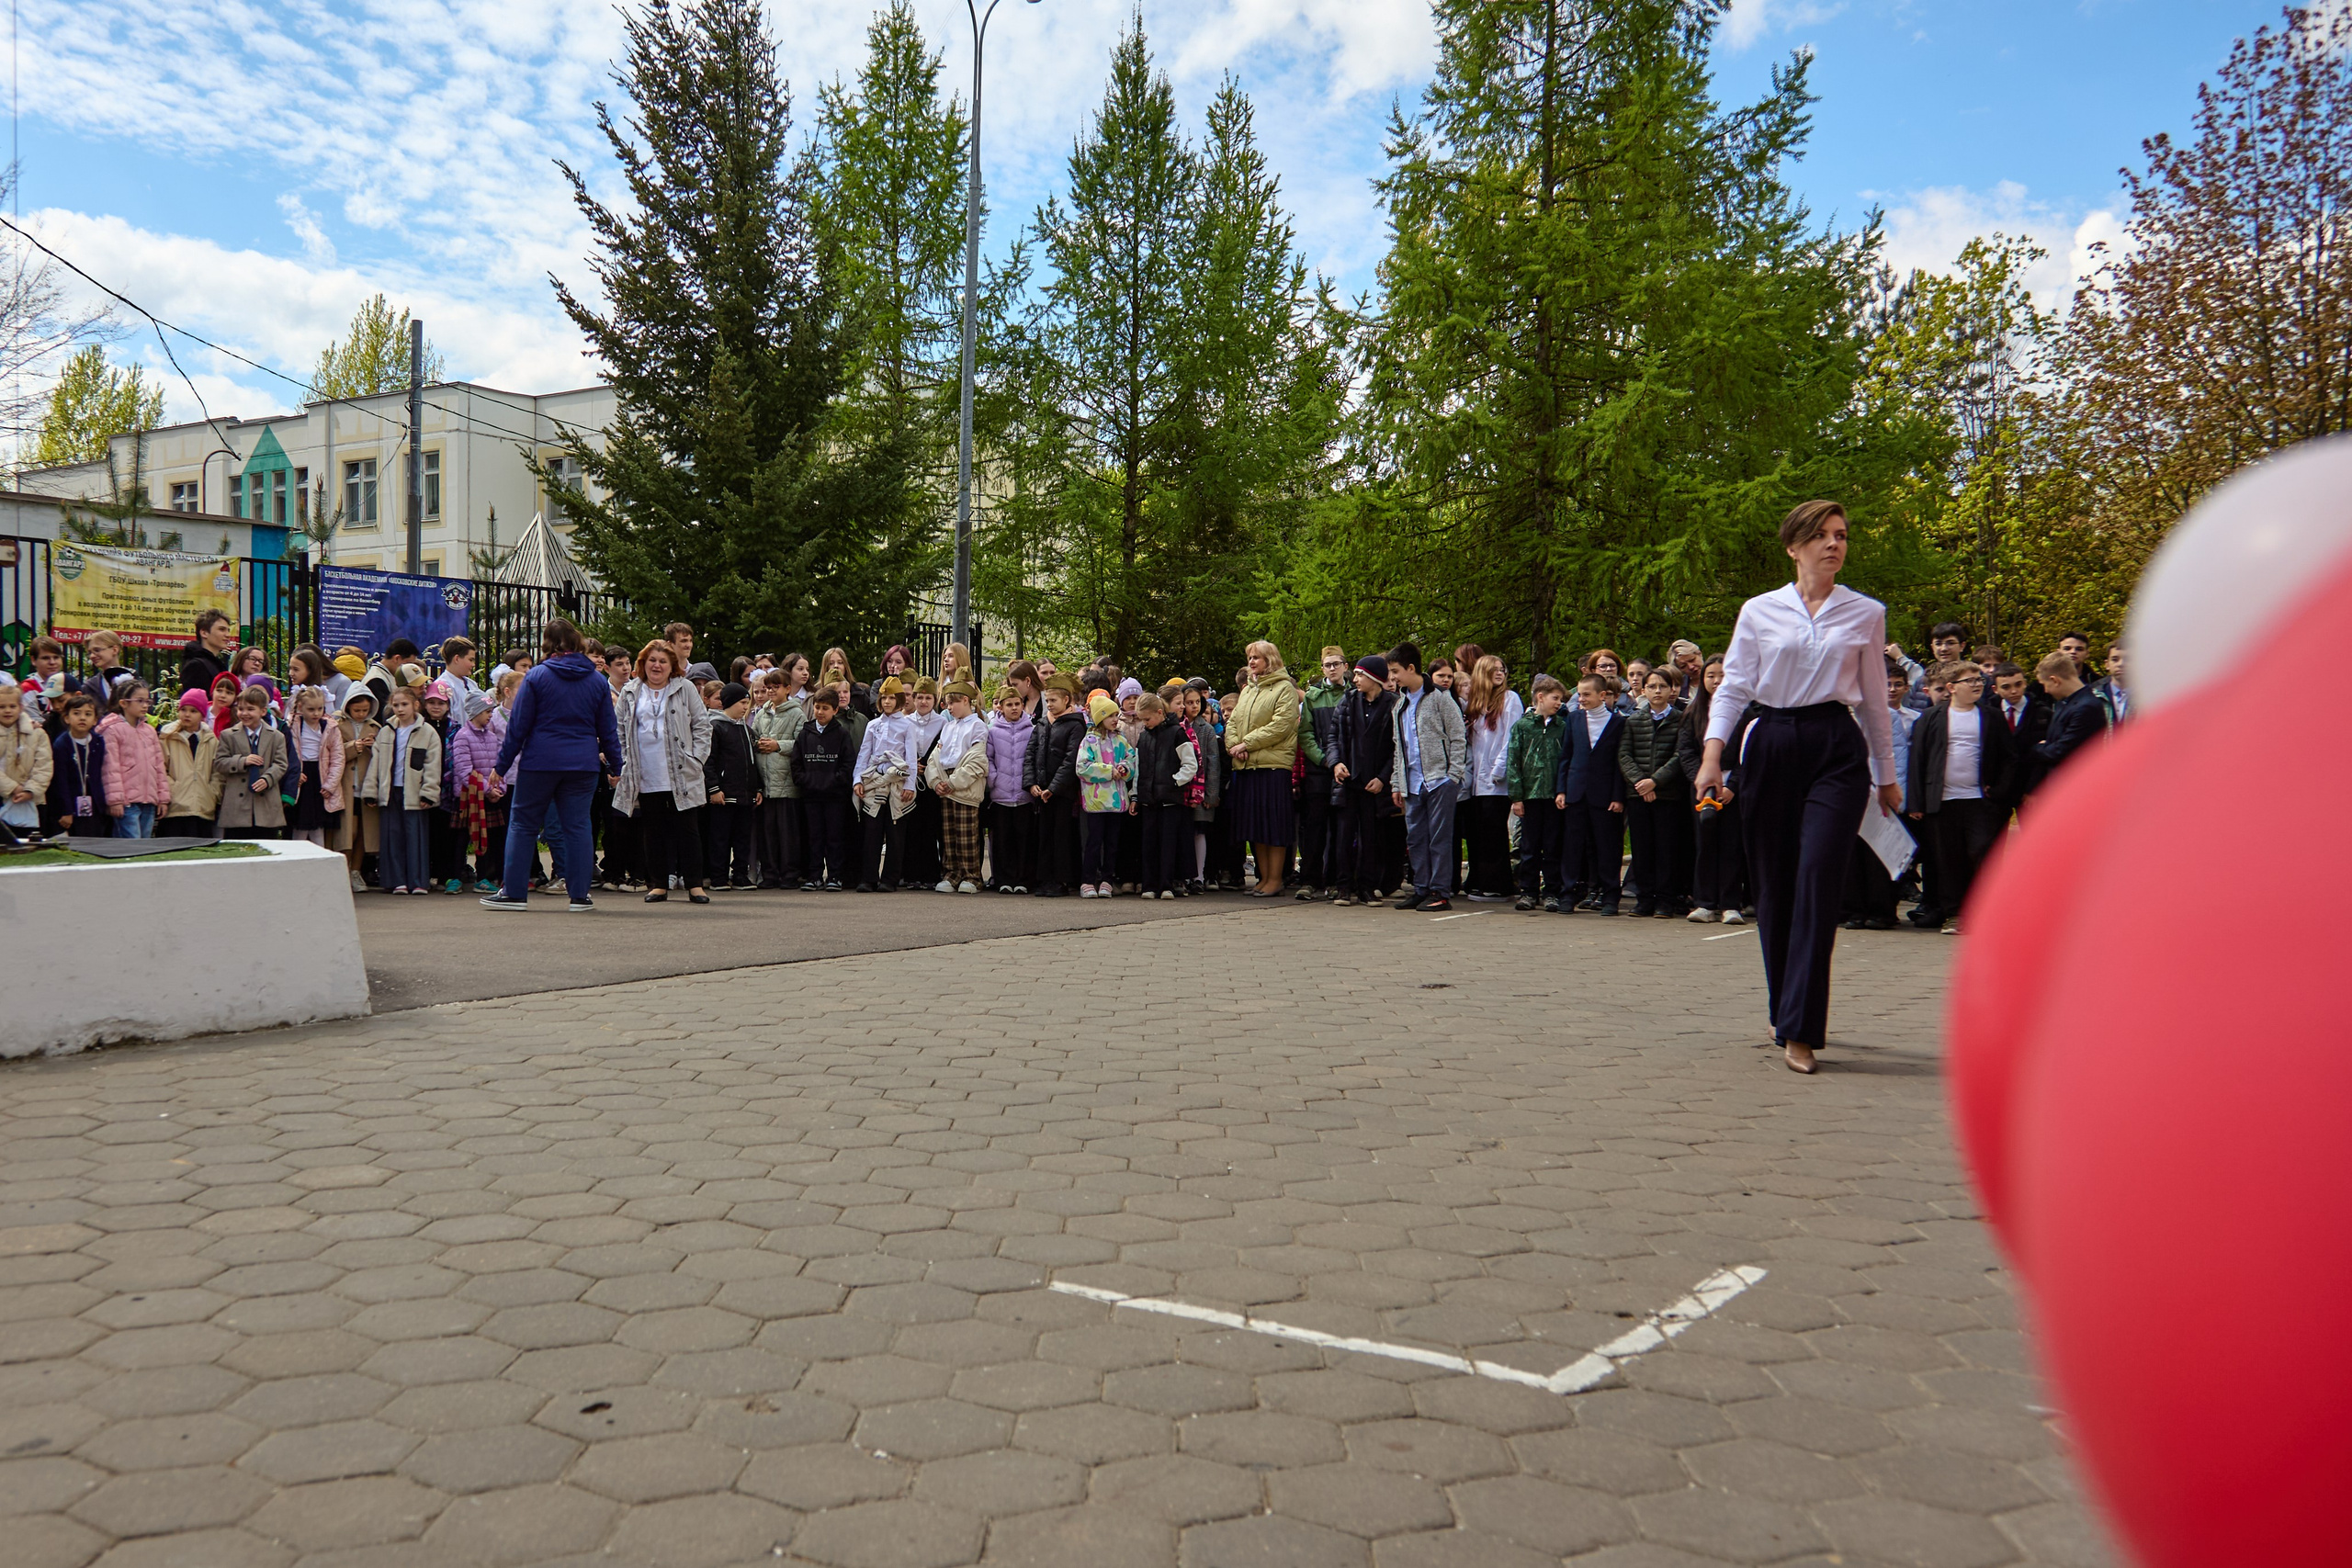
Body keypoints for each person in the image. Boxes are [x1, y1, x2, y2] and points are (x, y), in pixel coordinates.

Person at [1694, 499, 1901, 1075]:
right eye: (1822, 536)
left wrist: (1885, 775)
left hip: (1836, 746)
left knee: (1817, 879)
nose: (1834, 544)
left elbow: (1876, 701)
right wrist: (1713, 758)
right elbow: (1733, 687)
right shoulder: (1760, 610)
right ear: (1794, 546)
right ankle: (1783, 1005)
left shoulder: (1865, 612)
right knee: (1774, 884)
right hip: (1772, 741)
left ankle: (1802, 1029)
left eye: (1841, 535)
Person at [1905, 660, 2013, 934]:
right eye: (1970, 681)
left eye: (1979, 680)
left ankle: (1986, 911)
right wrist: (1916, 802)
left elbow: (2009, 759)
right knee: (1948, 859)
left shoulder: (1992, 716)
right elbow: (1918, 761)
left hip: (1979, 801)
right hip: (1942, 802)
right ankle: (1955, 915)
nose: (1978, 684)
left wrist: (1998, 792)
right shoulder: (1930, 718)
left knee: (1982, 852)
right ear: (1952, 688)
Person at [609, 637, 709, 905]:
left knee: (687, 830)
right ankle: (659, 885)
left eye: (663, 661)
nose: (657, 665)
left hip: (681, 771)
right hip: (646, 771)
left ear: (671, 665)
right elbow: (619, 730)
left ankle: (695, 886)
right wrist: (625, 761)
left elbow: (702, 725)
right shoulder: (630, 691)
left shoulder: (685, 688)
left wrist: (696, 759)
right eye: (652, 660)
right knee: (652, 830)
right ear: (643, 664)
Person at [1385, 641, 1466, 912]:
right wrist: (1397, 782)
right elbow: (1400, 747)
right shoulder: (1400, 705)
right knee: (1416, 838)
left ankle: (1440, 891)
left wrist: (1453, 775)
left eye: (1396, 671)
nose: (1393, 677)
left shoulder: (1441, 698)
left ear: (1411, 668)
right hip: (1413, 783)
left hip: (1439, 781)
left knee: (1439, 838)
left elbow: (1458, 737)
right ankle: (1421, 888)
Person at [1224, 641, 1302, 898]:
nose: (1252, 662)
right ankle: (1263, 878)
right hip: (1247, 765)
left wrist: (1249, 743)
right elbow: (1233, 721)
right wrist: (1236, 745)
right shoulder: (1247, 691)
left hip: (1272, 767)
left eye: (1257, 657)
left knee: (1273, 827)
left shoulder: (1284, 689)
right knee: (1256, 827)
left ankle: (1275, 879)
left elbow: (1281, 726)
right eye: (1250, 657)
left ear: (1270, 659)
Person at [1620, 666, 1690, 918]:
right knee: (1642, 848)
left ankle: (1665, 900)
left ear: (1672, 689)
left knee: (1667, 849)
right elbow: (1624, 754)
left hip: (1668, 795)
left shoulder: (1681, 718)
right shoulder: (1634, 720)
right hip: (1638, 794)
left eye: (1662, 686)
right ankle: (1644, 899)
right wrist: (1641, 782)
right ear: (1644, 690)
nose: (1657, 691)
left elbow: (1680, 754)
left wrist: (1655, 782)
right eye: (1652, 686)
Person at [1680, 655, 1747, 925]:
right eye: (1711, 676)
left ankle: (1731, 904)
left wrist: (1733, 786)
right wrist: (1702, 779)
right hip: (1702, 790)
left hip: (1733, 789)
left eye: (1722, 675)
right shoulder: (1692, 714)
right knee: (1703, 845)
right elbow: (1685, 751)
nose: (1716, 681)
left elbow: (1749, 754)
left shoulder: (1745, 714)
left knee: (1732, 846)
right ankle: (1704, 903)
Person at [1559, 672, 1626, 914]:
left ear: (1603, 695)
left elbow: (1620, 763)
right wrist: (1562, 789)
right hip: (1576, 793)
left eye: (1587, 694)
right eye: (1579, 694)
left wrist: (1618, 796)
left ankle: (1610, 897)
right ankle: (1567, 894)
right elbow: (1566, 756)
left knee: (1607, 847)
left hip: (1605, 795)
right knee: (1573, 845)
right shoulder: (1574, 719)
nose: (1581, 698)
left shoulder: (1618, 723)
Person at [1504, 674, 1571, 911]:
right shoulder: (1522, 727)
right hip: (1530, 797)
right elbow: (1513, 762)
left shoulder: (1562, 727)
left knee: (1552, 846)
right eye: (1555, 698)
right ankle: (1528, 891)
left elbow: (1566, 761)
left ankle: (1551, 891)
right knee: (1529, 846)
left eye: (1561, 699)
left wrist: (1562, 791)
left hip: (1554, 797)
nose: (1559, 703)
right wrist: (1517, 797)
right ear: (1540, 697)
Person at [1459, 655, 1522, 900]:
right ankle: (1480, 878)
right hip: (1476, 781)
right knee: (1478, 833)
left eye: (1502, 669)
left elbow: (1510, 737)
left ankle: (1499, 884)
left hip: (1496, 781)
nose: (1499, 673)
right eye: (1494, 670)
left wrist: (1499, 769)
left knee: (1493, 832)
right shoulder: (1475, 704)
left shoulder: (1509, 699)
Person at [359, 685, 435, 885]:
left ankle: (417, 881)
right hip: (390, 791)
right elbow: (376, 763)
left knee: (414, 837)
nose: (400, 709)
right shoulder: (386, 732)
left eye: (405, 704)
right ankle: (395, 881)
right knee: (392, 837)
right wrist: (371, 791)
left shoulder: (427, 732)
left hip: (414, 791)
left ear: (416, 705)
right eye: (396, 705)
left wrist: (429, 792)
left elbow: (432, 765)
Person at [1292, 647, 1348, 901]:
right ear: (1322, 669)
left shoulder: (1354, 694)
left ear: (1346, 666)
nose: (1332, 669)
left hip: (1346, 772)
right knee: (1313, 827)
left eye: (1337, 664)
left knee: (1340, 828)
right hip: (1319, 770)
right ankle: (1309, 880)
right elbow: (1305, 734)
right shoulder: (1313, 696)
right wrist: (1325, 760)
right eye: (1327, 665)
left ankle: (1336, 880)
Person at [1129, 692, 1197, 899]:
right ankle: (1149, 885)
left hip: (1169, 800)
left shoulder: (1177, 733)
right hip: (1149, 800)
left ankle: (1167, 884)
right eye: (1142, 720)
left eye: (1147, 719)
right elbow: (1138, 767)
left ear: (1160, 713)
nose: (1145, 724)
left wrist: (1174, 781)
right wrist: (1135, 794)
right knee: (1148, 844)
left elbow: (1190, 764)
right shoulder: (1144, 737)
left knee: (1168, 844)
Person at [851, 678, 914, 892]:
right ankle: (868, 877)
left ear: (900, 700)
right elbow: (864, 754)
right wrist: (858, 779)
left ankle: (890, 879)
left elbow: (911, 758)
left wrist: (910, 785)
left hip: (897, 783)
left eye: (891, 698)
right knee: (872, 830)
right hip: (875, 781)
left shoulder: (907, 725)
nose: (887, 702)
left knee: (895, 831)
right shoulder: (872, 725)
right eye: (884, 697)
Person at [926, 680, 989, 893]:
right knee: (948, 834)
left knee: (966, 835)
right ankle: (951, 873)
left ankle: (972, 876)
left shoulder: (977, 725)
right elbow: (936, 756)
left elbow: (977, 760)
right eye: (946, 703)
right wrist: (936, 781)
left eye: (952, 703)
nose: (949, 708)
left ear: (966, 700)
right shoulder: (948, 726)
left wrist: (953, 782)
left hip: (964, 787)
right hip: (945, 784)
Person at [789, 686, 855, 889]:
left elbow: (848, 764)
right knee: (814, 837)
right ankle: (814, 876)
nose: (820, 712)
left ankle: (835, 876)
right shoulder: (805, 734)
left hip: (835, 797)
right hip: (811, 796)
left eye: (825, 708)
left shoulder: (842, 734)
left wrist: (833, 782)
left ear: (835, 710)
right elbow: (796, 763)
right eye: (817, 707)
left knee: (834, 837)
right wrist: (808, 782)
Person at [1027, 672, 1086, 897]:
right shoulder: (1042, 724)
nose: (1049, 704)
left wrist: (1054, 787)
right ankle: (1044, 878)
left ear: (1067, 700)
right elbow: (1030, 754)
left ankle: (1061, 879)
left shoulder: (1075, 725)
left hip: (1061, 793)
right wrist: (1031, 783)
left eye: (1053, 700)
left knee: (1061, 836)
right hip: (1041, 791)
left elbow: (1071, 759)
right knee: (1044, 836)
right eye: (1047, 700)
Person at [1072, 692, 1136, 898]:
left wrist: (1125, 769)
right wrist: (1109, 771)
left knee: (1112, 844)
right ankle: (1088, 881)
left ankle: (1107, 880)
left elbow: (1131, 759)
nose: (1115, 719)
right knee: (1093, 843)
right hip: (1096, 802)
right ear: (1100, 717)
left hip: (1117, 802)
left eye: (1117, 715)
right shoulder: (1089, 741)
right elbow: (1082, 767)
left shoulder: (1120, 739)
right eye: (1110, 716)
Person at [751, 669, 807, 890]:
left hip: (786, 783)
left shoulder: (797, 714)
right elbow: (752, 737)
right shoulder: (762, 713)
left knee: (787, 833)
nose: (771, 691)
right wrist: (758, 744)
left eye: (776, 687)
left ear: (787, 689)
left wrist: (777, 746)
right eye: (768, 687)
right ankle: (770, 874)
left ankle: (789, 875)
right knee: (768, 833)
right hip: (765, 783)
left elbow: (801, 744)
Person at [91, 680, 167, 840]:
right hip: (127, 803)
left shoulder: (149, 731)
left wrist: (162, 798)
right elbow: (110, 768)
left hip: (149, 801)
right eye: (140, 701)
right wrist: (115, 801)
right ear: (124, 703)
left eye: (147, 701)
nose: (145, 705)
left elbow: (159, 766)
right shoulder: (112, 730)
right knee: (131, 845)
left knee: (144, 846)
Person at [702, 682, 759, 890]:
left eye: (747, 703)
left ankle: (740, 875)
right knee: (720, 838)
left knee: (743, 837)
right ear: (730, 703)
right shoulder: (716, 727)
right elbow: (709, 761)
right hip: (724, 795)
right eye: (742, 703)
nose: (746, 707)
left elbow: (752, 762)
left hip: (745, 794)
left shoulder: (745, 729)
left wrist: (757, 788)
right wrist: (714, 789)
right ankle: (718, 876)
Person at [449, 694, 509, 889]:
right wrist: (487, 789)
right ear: (475, 712)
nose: (490, 715)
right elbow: (464, 770)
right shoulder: (462, 736)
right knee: (461, 839)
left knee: (487, 837)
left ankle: (483, 877)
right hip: (468, 798)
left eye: (491, 711)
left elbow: (499, 765)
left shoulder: (492, 737)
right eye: (486, 711)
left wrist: (499, 787)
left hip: (488, 797)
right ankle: (455, 877)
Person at [281, 685, 345, 849]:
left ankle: (320, 860)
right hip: (301, 778)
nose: (316, 713)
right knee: (299, 824)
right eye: (311, 709)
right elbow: (287, 751)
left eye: (320, 708)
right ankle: (296, 858)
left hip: (320, 777)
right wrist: (294, 774)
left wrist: (331, 784)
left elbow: (338, 757)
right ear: (301, 707)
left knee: (318, 826)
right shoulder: (292, 726)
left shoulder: (330, 727)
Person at [158, 691, 222, 840]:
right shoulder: (168, 737)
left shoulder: (211, 740)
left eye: (193, 711)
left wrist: (212, 792)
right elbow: (161, 768)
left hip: (202, 807)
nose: (187, 714)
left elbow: (217, 771)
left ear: (202, 715)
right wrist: (172, 789)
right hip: (176, 808)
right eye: (183, 710)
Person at [0, 682, 51, 840]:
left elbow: (44, 766)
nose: (8, 710)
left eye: (12, 706)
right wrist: (13, 787)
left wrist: (30, 790)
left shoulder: (37, 734)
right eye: (2, 707)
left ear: (21, 707)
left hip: (32, 802)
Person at [2092, 642, 2130, 728]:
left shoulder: (2146, 697)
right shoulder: (2094, 695)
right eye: (2115, 659)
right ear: (2107, 664)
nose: (2121, 664)